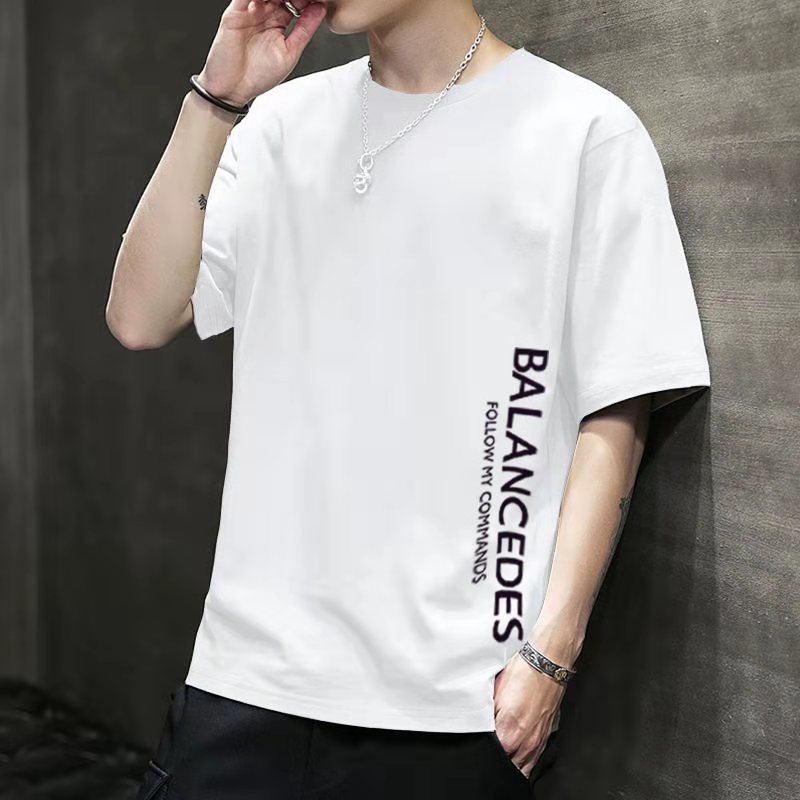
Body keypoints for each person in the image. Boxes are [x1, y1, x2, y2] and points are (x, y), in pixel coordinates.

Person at [106, 0, 711, 797]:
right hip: (248, 685)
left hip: (455, 705)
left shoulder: (582, 133)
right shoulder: (277, 127)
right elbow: (140, 317)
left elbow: (618, 406)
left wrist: (550, 655)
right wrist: (216, 100)